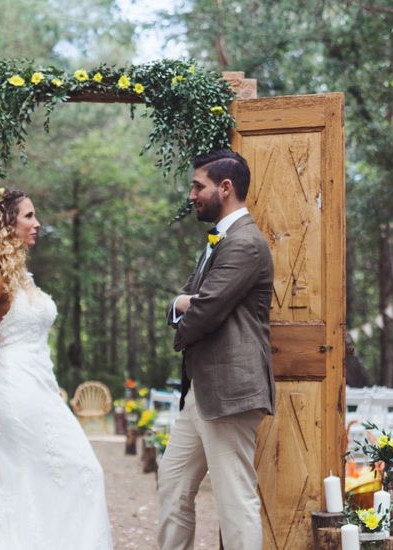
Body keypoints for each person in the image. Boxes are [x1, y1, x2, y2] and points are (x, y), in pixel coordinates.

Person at [0, 187, 113, 550]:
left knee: (64, 477)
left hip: (40, 386)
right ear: (7, 223)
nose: (37, 223)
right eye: (29, 216)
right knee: (35, 484)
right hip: (16, 390)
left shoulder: (22, 277)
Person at [158, 149, 276, 550]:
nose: (192, 195)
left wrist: (182, 304)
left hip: (231, 391)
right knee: (172, 486)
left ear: (225, 188)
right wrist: (183, 302)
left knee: (234, 501)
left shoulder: (244, 243)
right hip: (199, 392)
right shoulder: (219, 240)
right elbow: (193, 299)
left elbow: (204, 309)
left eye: (198, 186)